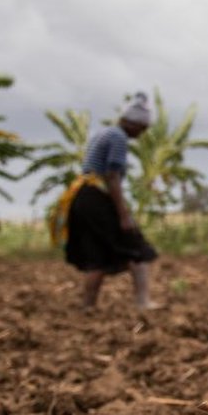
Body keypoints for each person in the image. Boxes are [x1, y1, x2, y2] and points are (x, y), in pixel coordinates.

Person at [52, 95, 160, 310]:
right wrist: (124, 215)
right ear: (133, 123)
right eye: (142, 129)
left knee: (97, 255)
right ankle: (143, 302)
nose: (142, 134)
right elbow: (112, 176)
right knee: (137, 248)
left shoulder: (104, 133)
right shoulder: (118, 138)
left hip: (83, 197)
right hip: (98, 198)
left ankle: (88, 306)